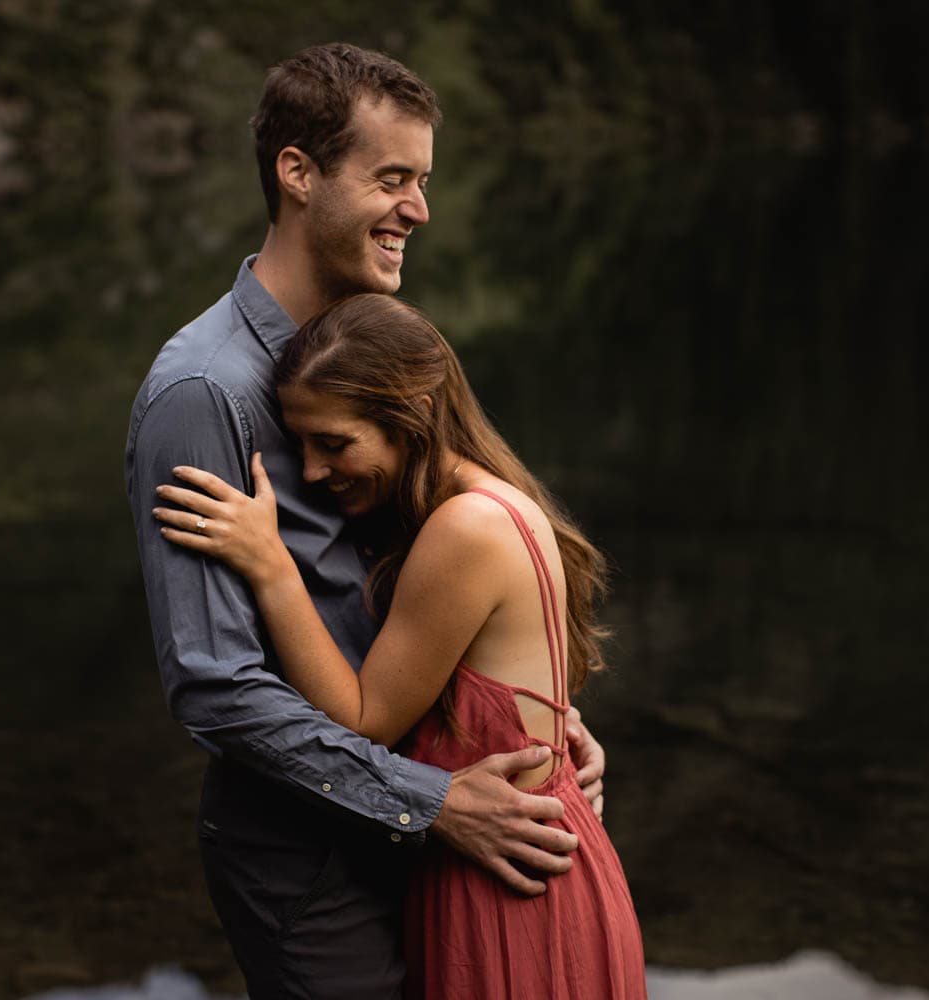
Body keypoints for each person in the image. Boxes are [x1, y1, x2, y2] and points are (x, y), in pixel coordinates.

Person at [124, 43, 609, 998]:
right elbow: (215, 689)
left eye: (422, 182)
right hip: (309, 857)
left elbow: (437, 578)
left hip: (426, 821)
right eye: (393, 179)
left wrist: (536, 715)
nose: (418, 211)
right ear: (297, 174)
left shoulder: (369, 353)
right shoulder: (201, 394)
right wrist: (435, 804)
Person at [152, 293, 647, 998]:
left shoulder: (466, 529)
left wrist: (270, 565)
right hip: (524, 868)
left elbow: (363, 719)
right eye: (300, 447)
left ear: (410, 414)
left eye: (334, 443)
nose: (315, 472)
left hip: (511, 892)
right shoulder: (490, 500)